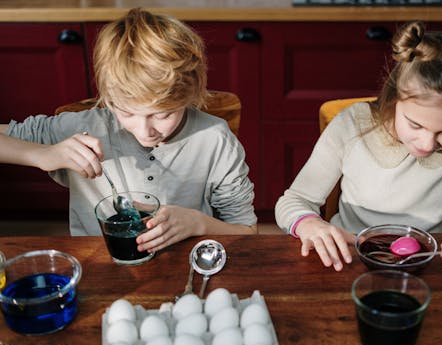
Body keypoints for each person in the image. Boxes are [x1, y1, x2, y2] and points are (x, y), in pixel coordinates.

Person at [0, 8, 257, 252]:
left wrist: (199, 224)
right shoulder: (83, 127)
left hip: (185, 266)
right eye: (127, 113)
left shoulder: (215, 139)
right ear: (108, 98)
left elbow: (247, 232)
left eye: (163, 114)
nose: (145, 131)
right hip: (98, 267)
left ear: (190, 94)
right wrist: (41, 154)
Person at [275, 21, 442, 271]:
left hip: (425, 262)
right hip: (347, 258)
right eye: (415, 125)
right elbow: (294, 200)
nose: (427, 144)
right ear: (394, 98)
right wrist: (309, 223)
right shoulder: (352, 125)